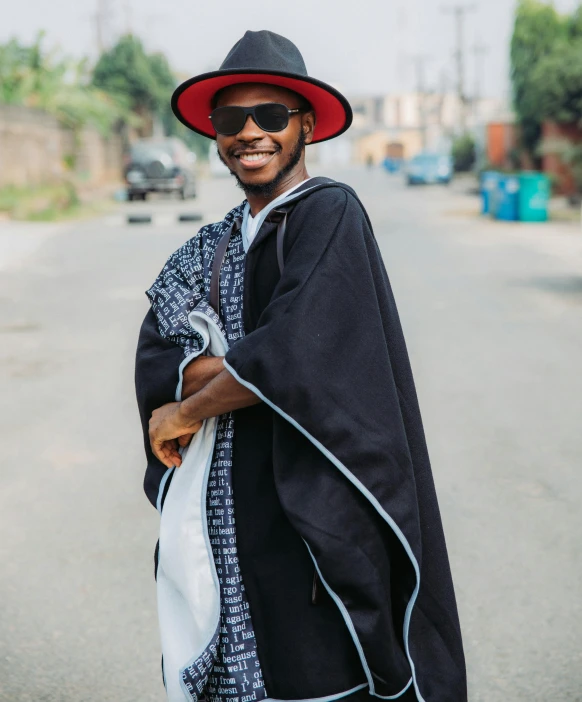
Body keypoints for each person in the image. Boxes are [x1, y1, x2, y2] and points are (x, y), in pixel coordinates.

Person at [135, 30, 467, 702]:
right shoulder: (216, 241)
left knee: (321, 679)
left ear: (305, 125)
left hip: (313, 524)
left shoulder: (329, 214)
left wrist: (188, 405)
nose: (250, 133)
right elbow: (159, 348)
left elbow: (295, 353)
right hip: (230, 520)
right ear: (216, 134)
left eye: (272, 116)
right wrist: (231, 374)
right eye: (232, 119)